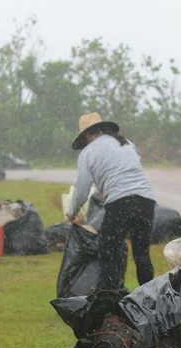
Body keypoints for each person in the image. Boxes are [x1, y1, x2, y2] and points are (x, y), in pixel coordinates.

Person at [66, 112, 157, 291]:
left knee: (108, 253)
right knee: (142, 254)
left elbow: (82, 189)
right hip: (146, 200)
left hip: (121, 203)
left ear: (86, 135)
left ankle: (108, 303)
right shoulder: (127, 143)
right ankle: (150, 300)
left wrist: (72, 211)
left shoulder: (88, 152)